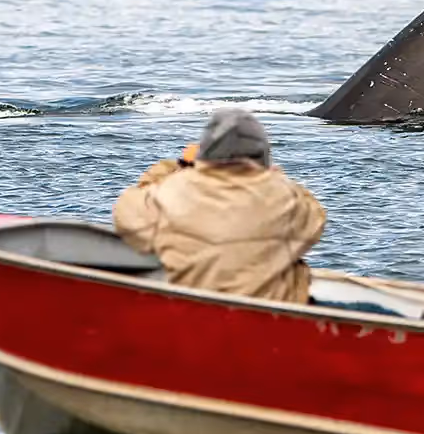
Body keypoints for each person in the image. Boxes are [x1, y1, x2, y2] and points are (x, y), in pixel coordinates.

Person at [114, 107, 327, 303]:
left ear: (204, 152)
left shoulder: (170, 190)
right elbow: (314, 223)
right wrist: (274, 178)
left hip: (187, 311)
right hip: (267, 316)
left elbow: (127, 213)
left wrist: (178, 166)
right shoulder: (284, 196)